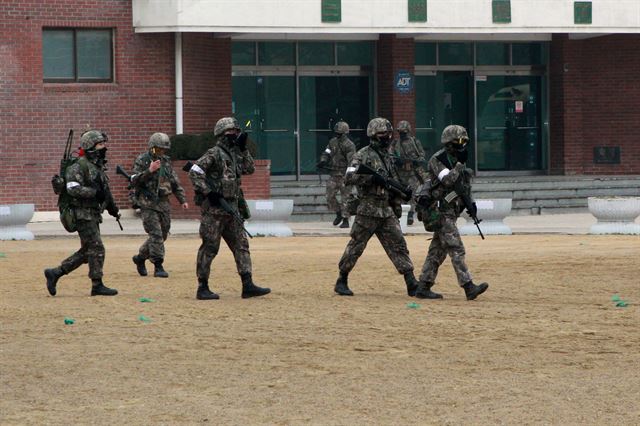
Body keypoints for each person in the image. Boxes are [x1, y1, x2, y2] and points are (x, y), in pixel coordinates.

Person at [333, 117, 419, 297]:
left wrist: (403, 192)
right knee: (356, 245)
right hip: (368, 210)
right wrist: (370, 178)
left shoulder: (389, 155)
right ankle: (342, 279)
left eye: (388, 133)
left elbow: (392, 180)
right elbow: (349, 177)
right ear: (373, 135)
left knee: (399, 245)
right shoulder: (362, 154)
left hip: (386, 210)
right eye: (382, 134)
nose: (386, 137)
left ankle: (411, 282)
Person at [188, 117, 271, 300]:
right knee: (210, 248)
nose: (234, 135)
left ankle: (247, 284)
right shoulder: (214, 153)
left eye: (236, 131)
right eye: (231, 132)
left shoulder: (235, 154)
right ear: (221, 134)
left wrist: (243, 149)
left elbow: (249, 169)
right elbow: (195, 171)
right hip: (214, 211)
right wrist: (209, 192)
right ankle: (203, 287)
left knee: (242, 246)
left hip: (232, 209)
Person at [414, 125, 489, 300]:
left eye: (465, 142)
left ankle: (423, 286)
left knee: (437, 252)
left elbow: (462, 187)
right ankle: (468, 286)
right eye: (458, 142)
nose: (462, 145)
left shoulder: (458, 161)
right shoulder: (437, 159)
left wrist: (470, 204)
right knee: (456, 248)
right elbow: (448, 181)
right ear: (448, 143)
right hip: (439, 211)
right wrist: (459, 165)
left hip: (450, 211)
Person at [44, 130, 120, 296]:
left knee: (88, 251)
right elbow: (73, 189)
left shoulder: (97, 167)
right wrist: (93, 193)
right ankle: (97, 284)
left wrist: (113, 209)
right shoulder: (78, 166)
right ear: (90, 147)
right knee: (96, 247)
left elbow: (104, 191)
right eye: (100, 144)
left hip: (92, 214)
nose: (104, 147)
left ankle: (55, 273)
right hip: (80, 213)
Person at [131, 133, 188, 278]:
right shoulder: (143, 160)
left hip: (163, 202)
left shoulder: (166, 162)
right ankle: (158, 265)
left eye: (164, 149)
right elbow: (134, 180)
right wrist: (149, 171)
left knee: (163, 234)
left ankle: (140, 258)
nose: (161, 152)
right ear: (152, 148)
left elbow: (174, 182)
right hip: (147, 202)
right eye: (158, 149)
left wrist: (182, 200)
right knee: (155, 234)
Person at [317, 121, 356, 228]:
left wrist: (349, 176)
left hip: (344, 175)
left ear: (345, 133)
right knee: (329, 196)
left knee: (346, 199)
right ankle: (338, 213)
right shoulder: (332, 142)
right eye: (336, 133)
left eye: (339, 133)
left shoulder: (349, 145)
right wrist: (323, 160)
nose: (337, 134)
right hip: (334, 174)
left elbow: (352, 162)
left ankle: (345, 219)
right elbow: (326, 152)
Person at [391, 120, 426, 226]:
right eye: (400, 132)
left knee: (412, 193)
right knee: (400, 194)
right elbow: (390, 156)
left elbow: (422, 157)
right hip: (400, 174)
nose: (402, 135)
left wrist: (414, 161)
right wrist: (397, 161)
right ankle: (401, 214)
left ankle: (411, 213)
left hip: (412, 173)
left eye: (404, 132)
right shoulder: (395, 143)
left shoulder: (415, 142)